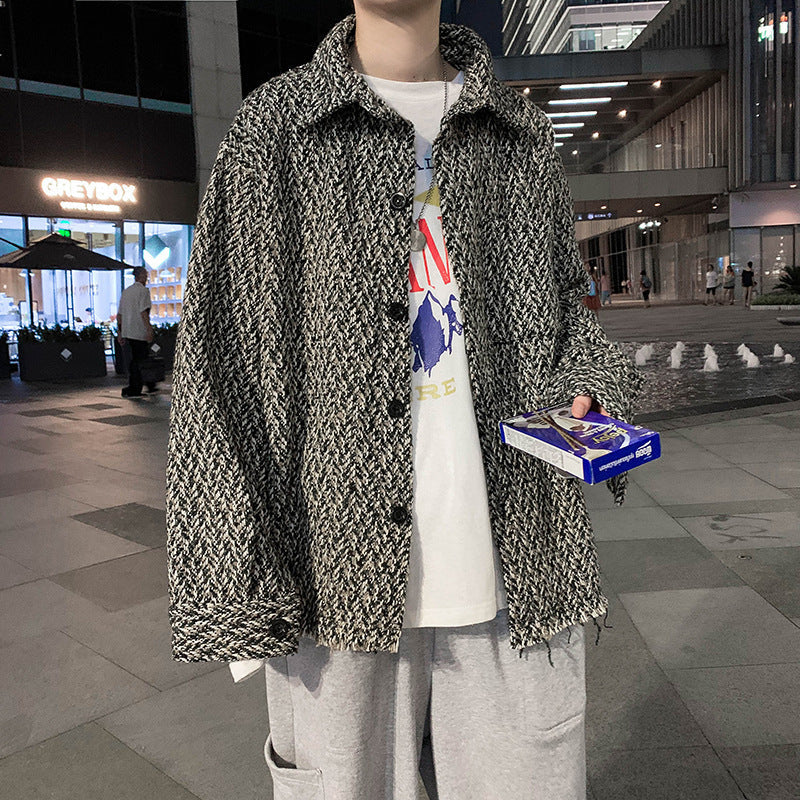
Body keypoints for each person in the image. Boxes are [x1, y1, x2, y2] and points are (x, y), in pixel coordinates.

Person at [165, 6, 642, 800]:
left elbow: (568, 316)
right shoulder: (277, 128)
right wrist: (238, 585)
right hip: (331, 576)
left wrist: (589, 392)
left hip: (520, 559)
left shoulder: (517, 131)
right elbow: (221, 363)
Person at [117, 265, 155, 397]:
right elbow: (143, 312)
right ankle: (140, 387)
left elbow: (120, 314)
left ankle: (137, 386)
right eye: (146, 275)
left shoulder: (126, 292)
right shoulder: (143, 291)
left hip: (127, 332)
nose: (147, 277)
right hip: (139, 332)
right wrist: (149, 329)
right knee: (141, 361)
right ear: (141, 276)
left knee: (133, 361)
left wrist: (119, 333)